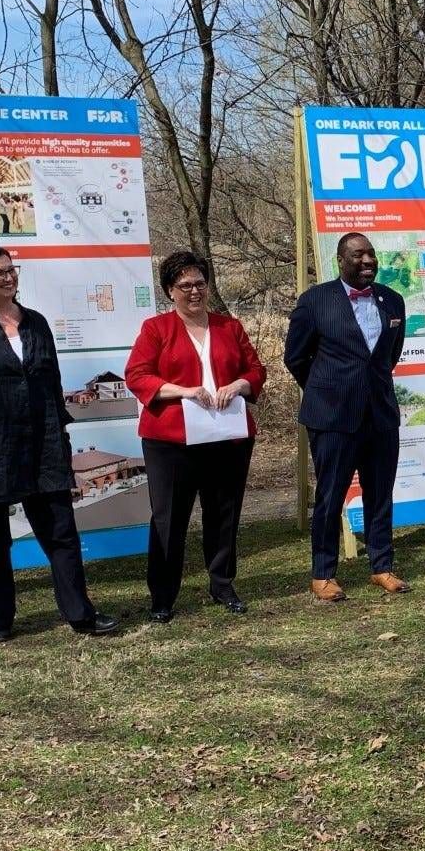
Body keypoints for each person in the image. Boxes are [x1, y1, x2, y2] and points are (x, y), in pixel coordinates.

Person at [0, 245, 120, 641]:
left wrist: (61, 440)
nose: (9, 277)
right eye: (0, 273)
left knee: (61, 533)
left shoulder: (36, 324)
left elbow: (51, 385)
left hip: (42, 446)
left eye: (12, 270)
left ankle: (80, 614)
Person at [125, 252, 267, 621]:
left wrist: (239, 384)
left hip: (227, 436)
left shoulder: (229, 326)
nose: (194, 291)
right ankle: (163, 595)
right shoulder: (156, 329)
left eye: (200, 284)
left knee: (224, 513)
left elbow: (256, 369)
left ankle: (222, 583)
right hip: (171, 441)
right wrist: (183, 391)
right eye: (185, 285)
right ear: (169, 291)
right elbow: (137, 375)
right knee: (169, 518)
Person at [284, 232, 411, 603]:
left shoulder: (393, 300)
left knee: (380, 494)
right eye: (358, 255)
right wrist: (326, 391)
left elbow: (388, 356)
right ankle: (323, 573)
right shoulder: (315, 301)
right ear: (340, 260)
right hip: (332, 418)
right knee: (330, 495)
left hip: (380, 416)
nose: (367, 260)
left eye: (371, 254)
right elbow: (296, 358)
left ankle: (382, 565)